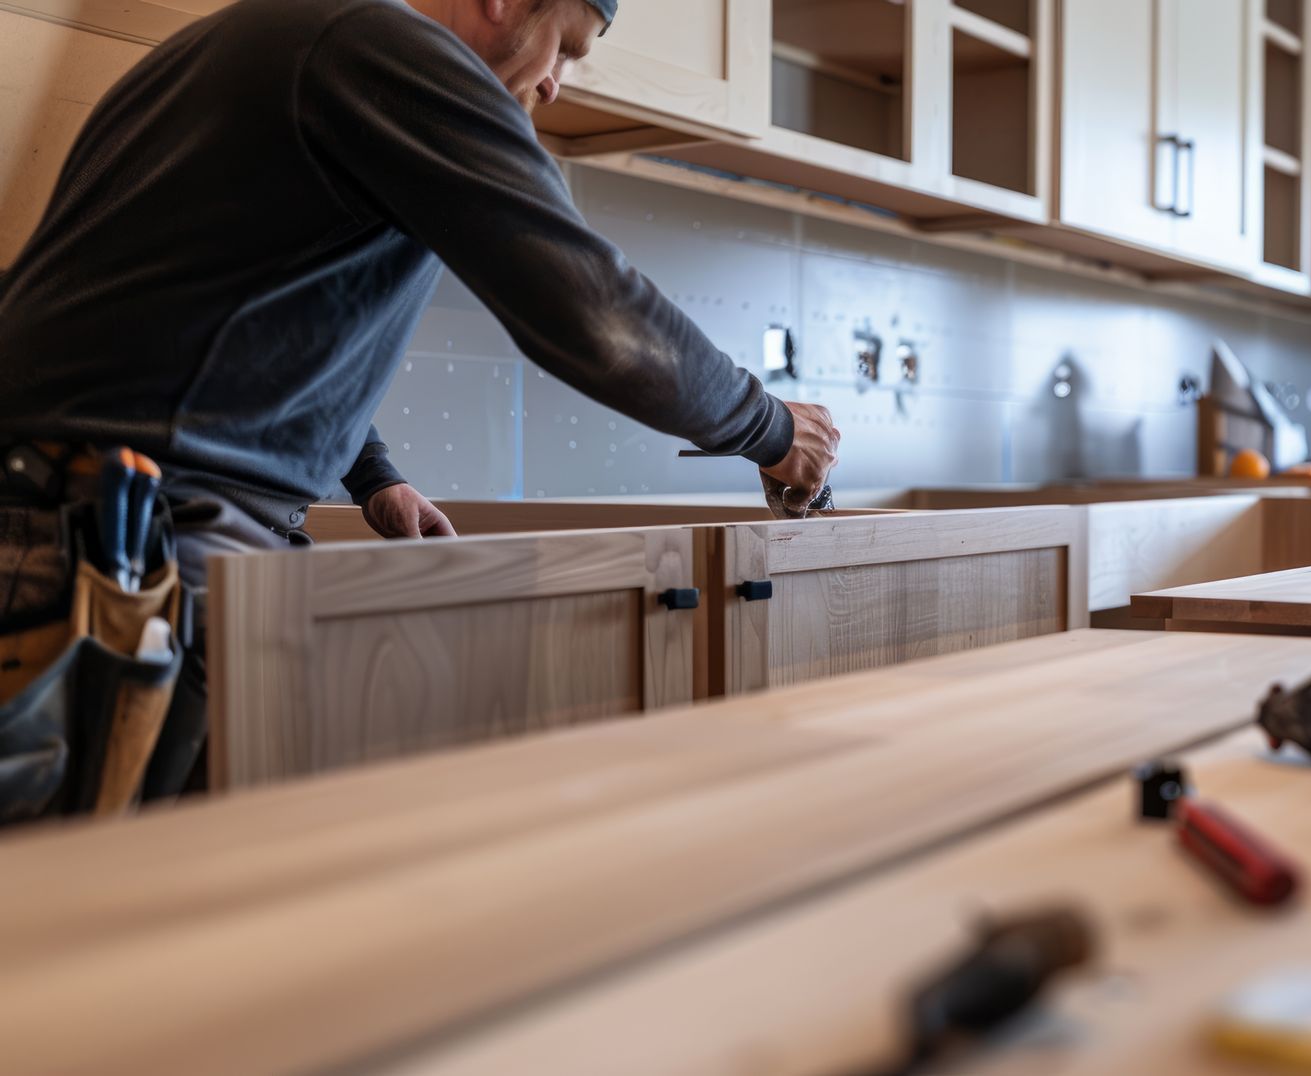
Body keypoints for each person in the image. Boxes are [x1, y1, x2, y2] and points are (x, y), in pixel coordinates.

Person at [0, 0, 838, 794]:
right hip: (108, 543)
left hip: (86, 516)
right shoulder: (382, 48)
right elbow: (595, 314)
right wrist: (769, 427)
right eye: (567, 47)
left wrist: (375, 478)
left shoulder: (291, 42)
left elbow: (246, 322)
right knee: (101, 911)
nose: (556, 83)